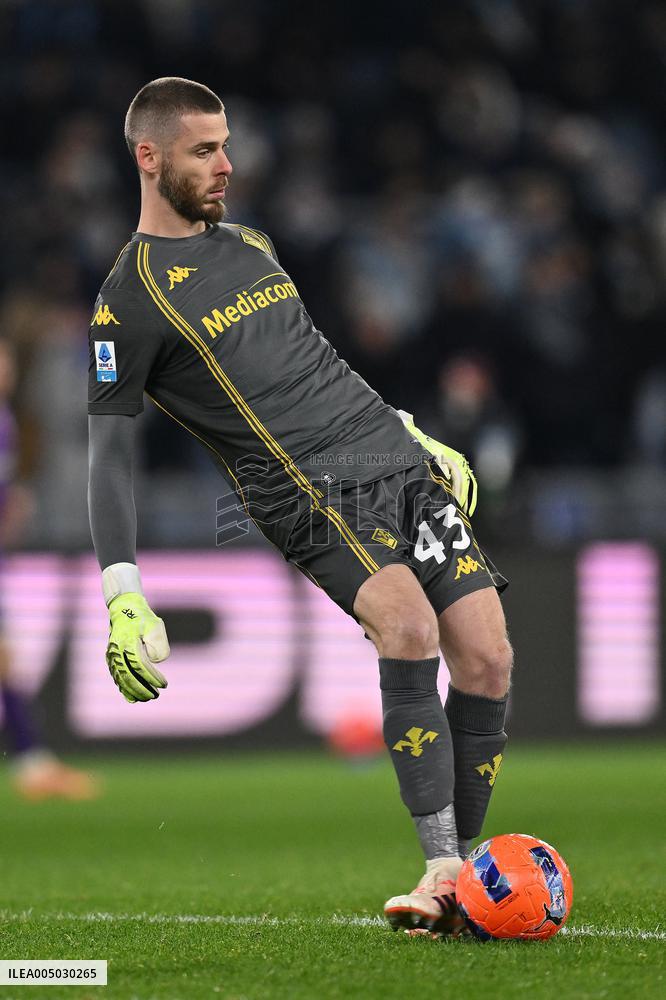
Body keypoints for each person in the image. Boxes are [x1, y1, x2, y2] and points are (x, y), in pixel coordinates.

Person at [87, 78, 512, 935]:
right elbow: (109, 453)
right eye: (205, 150)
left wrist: (412, 432)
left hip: (392, 460)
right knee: (408, 629)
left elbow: (314, 358)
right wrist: (122, 592)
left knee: (489, 660)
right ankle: (440, 867)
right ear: (150, 157)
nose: (226, 165)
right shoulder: (127, 303)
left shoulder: (252, 242)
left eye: (226, 145)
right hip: (307, 490)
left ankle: (460, 874)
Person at [0, 339, 98, 801]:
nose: (5, 367)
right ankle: (33, 763)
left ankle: (33, 763)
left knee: (4, 660)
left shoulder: (8, 420)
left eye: (6, 358)